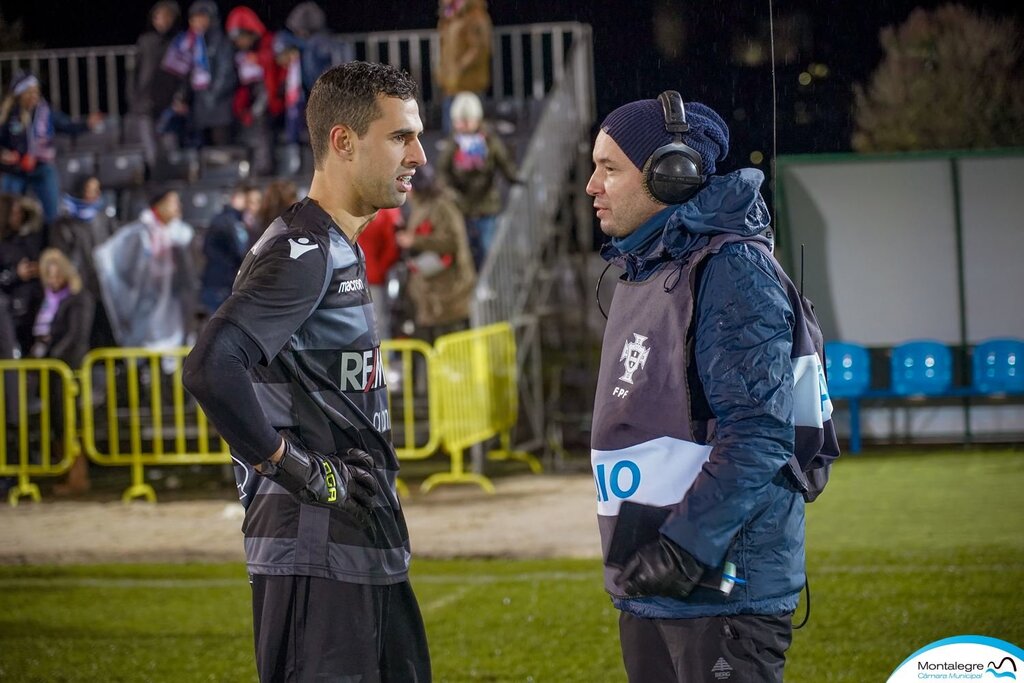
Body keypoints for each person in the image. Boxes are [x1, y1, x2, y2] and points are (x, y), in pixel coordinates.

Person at [181, 61, 432, 682]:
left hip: (357, 546)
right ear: (343, 142)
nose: (419, 155)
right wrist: (302, 472)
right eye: (400, 136)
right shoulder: (305, 251)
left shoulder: (336, 246)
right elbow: (211, 368)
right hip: (315, 553)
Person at [586, 92, 839, 682]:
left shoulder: (730, 271)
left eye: (609, 168)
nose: (593, 186)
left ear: (671, 177)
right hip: (661, 582)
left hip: (720, 588)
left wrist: (684, 547)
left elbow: (759, 434)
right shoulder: (648, 267)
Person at [92, 189, 197, 353]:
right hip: (144, 304)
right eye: (172, 202)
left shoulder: (182, 235)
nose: (178, 207)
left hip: (174, 305)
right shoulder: (139, 234)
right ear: (159, 205)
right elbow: (116, 263)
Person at [31, 248, 95, 493]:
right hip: (52, 370)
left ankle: (77, 477)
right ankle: (68, 475)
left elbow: (75, 337)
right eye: (49, 275)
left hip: (69, 369)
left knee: (71, 423)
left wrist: (52, 357)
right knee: (59, 423)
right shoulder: (48, 300)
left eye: (57, 275)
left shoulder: (79, 299)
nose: (54, 280)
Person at [0, 72, 103, 225]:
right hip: (16, 169)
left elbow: (67, 125)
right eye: (30, 92)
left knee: (52, 211)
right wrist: (4, 154)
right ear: (21, 94)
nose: (34, 96)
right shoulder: (9, 115)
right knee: (7, 208)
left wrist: (86, 124)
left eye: (36, 91)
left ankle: (52, 241)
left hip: (42, 167)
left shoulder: (46, 113)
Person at [436, 91, 519, 270]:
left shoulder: (489, 140)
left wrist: (516, 179)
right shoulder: (453, 142)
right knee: (465, 251)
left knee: (487, 249)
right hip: (462, 206)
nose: (464, 126)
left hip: (486, 206)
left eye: (468, 121)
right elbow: (442, 170)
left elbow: (503, 162)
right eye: (460, 121)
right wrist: (449, 192)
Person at [396, 163, 475, 341]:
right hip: (432, 298)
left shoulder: (441, 206)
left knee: (453, 355)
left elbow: (452, 241)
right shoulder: (423, 207)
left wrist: (414, 241)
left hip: (449, 297)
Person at [49, 175, 117, 347]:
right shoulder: (63, 224)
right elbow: (60, 258)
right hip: (77, 291)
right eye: (91, 189)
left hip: (104, 288)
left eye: (97, 189)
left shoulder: (104, 220)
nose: (96, 194)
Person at [225, 6, 284, 177]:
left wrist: (260, 105)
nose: (239, 43)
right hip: (251, 97)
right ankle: (250, 168)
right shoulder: (242, 55)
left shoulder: (270, 43)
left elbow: (276, 73)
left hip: (270, 98)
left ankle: (264, 169)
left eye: (241, 38)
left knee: (261, 124)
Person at [129, 1, 182, 169]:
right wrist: (133, 98)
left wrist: (180, 96)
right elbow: (134, 73)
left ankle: (172, 176)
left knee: (170, 143)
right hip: (145, 100)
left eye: (167, 17)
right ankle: (155, 176)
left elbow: (184, 73)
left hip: (169, 100)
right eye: (158, 17)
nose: (162, 21)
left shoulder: (179, 41)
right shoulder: (145, 41)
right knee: (149, 146)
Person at [199, 182, 262, 314]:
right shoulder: (226, 221)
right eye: (250, 201)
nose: (254, 206)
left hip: (232, 286)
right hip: (220, 287)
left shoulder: (246, 224)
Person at [436, 0, 492, 133]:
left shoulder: (474, 16)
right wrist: (443, 71)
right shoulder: (450, 16)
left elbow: (478, 48)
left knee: (473, 131)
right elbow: (448, 49)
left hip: (469, 82)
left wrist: (459, 67)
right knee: (452, 135)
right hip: (452, 83)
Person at [0, 193, 45, 356]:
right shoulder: (3, 244)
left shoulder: (30, 237)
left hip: (33, 306)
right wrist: (16, 274)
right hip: (8, 312)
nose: (19, 216)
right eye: (15, 212)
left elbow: (38, 219)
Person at [358, 206, 402, 344]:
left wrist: (379, 269)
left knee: (377, 322)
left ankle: (383, 360)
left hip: (372, 278)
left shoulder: (386, 213)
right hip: (356, 275)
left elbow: (391, 247)